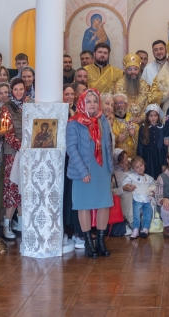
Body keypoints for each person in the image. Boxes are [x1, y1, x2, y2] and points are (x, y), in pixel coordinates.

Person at [66, 89, 114, 258]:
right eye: (88, 101)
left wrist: (110, 168)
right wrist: (82, 171)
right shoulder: (74, 122)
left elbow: (108, 145)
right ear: (82, 103)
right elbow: (71, 149)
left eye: (95, 101)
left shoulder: (102, 120)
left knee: (104, 204)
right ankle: (88, 243)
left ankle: (100, 241)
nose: (92, 104)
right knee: (83, 204)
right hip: (83, 170)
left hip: (102, 170)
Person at [1, 78, 25, 239]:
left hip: (26, 152)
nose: (18, 92)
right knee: (12, 187)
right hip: (13, 152)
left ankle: (22, 223)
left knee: (23, 187)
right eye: (15, 89)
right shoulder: (6, 107)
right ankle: (7, 223)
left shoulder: (29, 106)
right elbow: (7, 133)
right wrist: (20, 146)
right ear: (11, 91)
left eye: (21, 89)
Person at [123, 156, 156, 239]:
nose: (140, 168)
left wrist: (152, 191)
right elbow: (125, 184)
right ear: (133, 169)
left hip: (147, 199)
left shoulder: (148, 178)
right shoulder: (131, 176)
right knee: (136, 215)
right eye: (137, 167)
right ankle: (136, 229)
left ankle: (145, 229)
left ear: (144, 165)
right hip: (137, 198)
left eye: (141, 165)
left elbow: (154, 185)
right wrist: (129, 186)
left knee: (147, 214)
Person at [112, 53, 151, 122]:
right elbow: (113, 105)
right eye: (129, 69)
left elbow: (149, 106)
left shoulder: (145, 86)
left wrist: (141, 118)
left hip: (141, 123)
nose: (133, 72)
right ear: (126, 71)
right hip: (122, 122)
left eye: (135, 69)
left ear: (139, 71)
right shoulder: (118, 85)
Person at [137, 104, 167, 179]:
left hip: (159, 156)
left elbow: (164, 146)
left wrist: (164, 163)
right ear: (147, 116)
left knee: (159, 177)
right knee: (148, 176)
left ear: (158, 116)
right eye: (151, 115)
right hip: (147, 157)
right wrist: (140, 161)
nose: (153, 118)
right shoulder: (143, 127)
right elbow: (140, 146)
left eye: (155, 115)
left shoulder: (162, 127)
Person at [111, 94, 139, 160]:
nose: (119, 105)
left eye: (121, 103)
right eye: (116, 103)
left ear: (126, 105)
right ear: (113, 106)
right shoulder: (110, 121)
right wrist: (116, 139)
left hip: (131, 159)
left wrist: (134, 135)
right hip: (115, 160)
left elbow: (141, 143)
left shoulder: (134, 122)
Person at [111, 149, 134, 229]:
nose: (126, 163)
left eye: (126, 159)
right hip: (122, 198)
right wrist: (122, 189)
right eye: (122, 162)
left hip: (136, 191)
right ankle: (129, 221)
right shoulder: (112, 174)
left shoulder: (131, 164)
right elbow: (109, 192)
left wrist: (127, 170)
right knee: (128, 194)